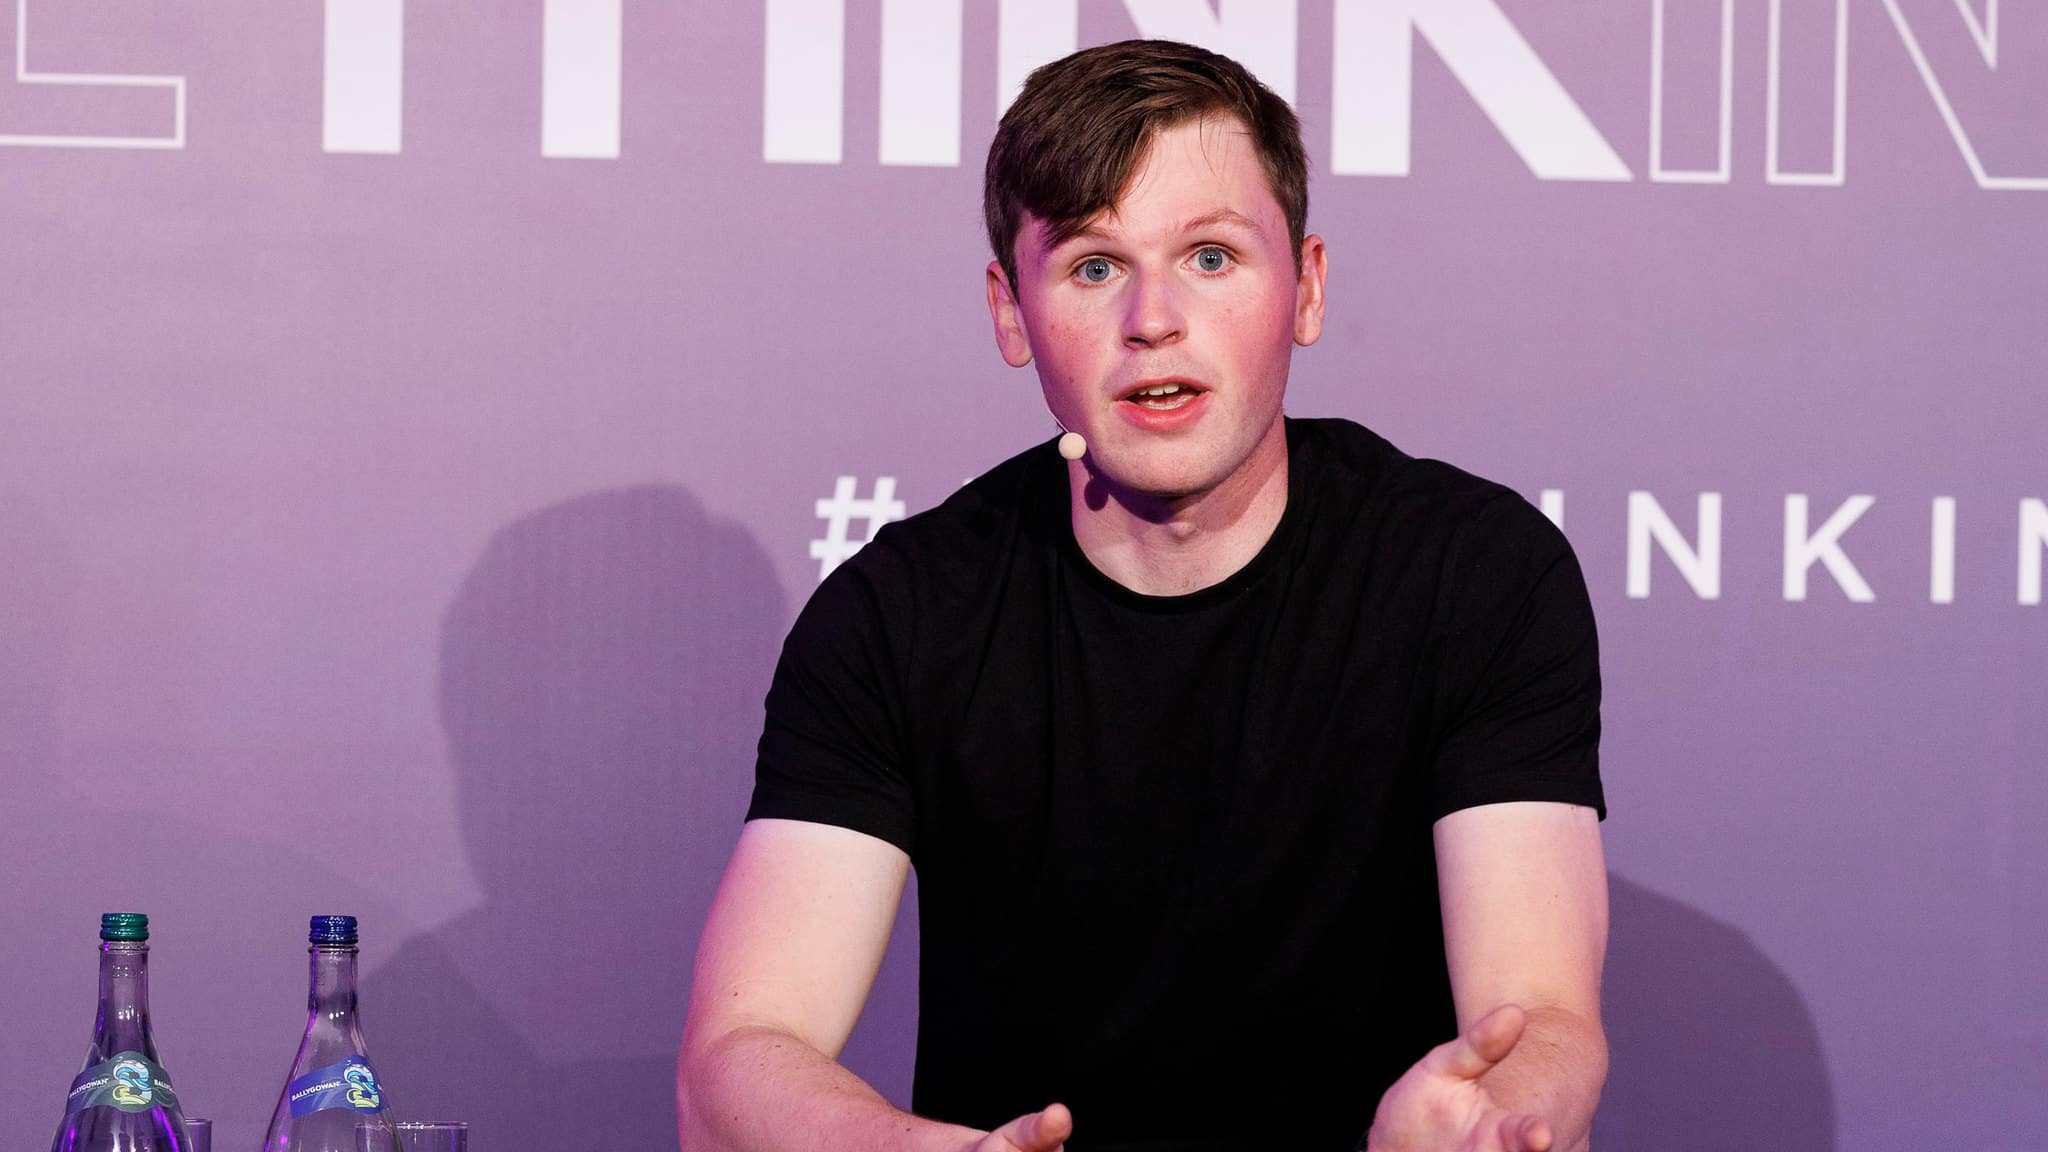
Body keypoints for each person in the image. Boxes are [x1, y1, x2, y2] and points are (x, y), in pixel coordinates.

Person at [677, 38, 1608, 1152]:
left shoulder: (1472, 574)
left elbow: (1542, 1016)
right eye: (1092, 267)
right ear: (1010, 313)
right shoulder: (900, 614)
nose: (1151, 319)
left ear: (1305, 287)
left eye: (1210, 257)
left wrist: (1484, 1124)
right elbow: (741, 1054)